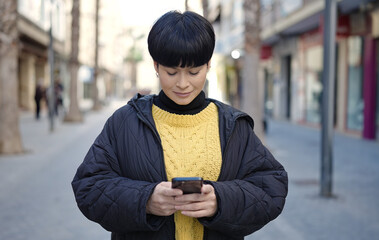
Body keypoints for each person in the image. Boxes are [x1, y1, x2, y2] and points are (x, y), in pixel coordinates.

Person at [72, 10, 288, 240]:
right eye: (171, 72)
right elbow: (88, 186)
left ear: (208, 65)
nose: (183, 84)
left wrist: (221, 200)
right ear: (156, 65)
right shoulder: (124, 122)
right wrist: (146, 200)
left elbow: (271, 187)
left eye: (194, 72)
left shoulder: (233, 125)